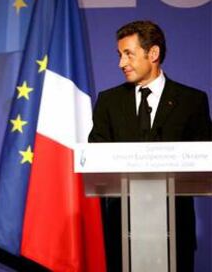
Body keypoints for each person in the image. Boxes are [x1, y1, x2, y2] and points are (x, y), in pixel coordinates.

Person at [88, 20, 211, 272]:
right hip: (122, 230)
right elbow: (96, 156)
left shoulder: (192, 101)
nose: (121, 63)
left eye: (128, 54)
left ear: (153, 54)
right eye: (119, 55)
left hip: (174, 229)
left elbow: (205, 159)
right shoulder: (108, 101)